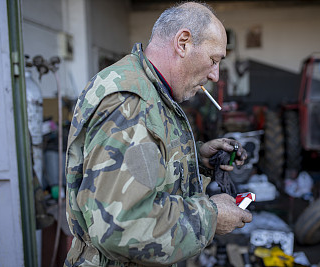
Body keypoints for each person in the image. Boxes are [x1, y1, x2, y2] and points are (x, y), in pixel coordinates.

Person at [64, 2, 252, 266]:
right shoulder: (130, 102)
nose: (214, 74)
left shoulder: (149, 90)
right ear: (183, 43)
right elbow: (121, 226)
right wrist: (210, 217)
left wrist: (198, 159)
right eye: (213, 60)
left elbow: (143, 163)